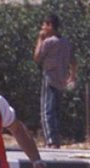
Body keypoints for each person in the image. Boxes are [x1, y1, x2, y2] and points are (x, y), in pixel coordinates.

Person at [33, 13, 77, 149]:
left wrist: (40, 39)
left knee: (47, 110)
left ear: (50, 26)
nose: (42, 28)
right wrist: (72, 75)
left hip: (50, 78)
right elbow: (73, 61)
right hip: (61, 80)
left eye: (44, 25)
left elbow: (37, 57)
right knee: (56, 110)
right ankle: (56, 139)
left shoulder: (49, 42)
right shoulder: (65, 42)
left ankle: (50, 140)